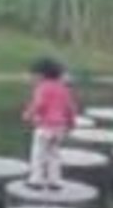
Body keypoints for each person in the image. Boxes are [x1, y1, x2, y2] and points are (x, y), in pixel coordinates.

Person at [22, 57, 78, 191]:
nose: (32, 78)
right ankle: (55, 181)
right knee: (54, 154)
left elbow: (39, 104)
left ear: (41, 75)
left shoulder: (42, 87)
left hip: (44, 127)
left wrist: (28, 114)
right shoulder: (63, 89)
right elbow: (70, 107)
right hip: (60, 128)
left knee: (38, 154)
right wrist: (71, 123)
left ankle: (36, 180)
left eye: (34, 75)